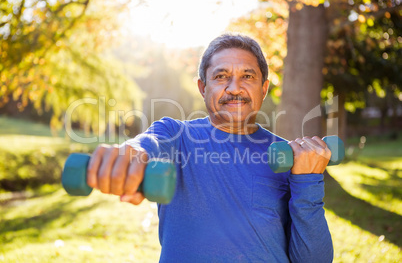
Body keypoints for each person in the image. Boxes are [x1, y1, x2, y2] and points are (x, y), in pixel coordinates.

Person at [86, 33, 334, 262]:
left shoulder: (291, 158)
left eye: (247, 76)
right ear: (203, 88)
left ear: (264, 88)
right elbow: (146, 144)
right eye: (221, 76)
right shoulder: (176, 135)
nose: (235, 88)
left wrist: (308, 181)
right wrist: (131, 154)